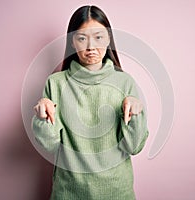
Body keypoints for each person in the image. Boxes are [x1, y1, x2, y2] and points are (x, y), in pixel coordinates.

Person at [32, 5, 149, 200]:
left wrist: (136, 114)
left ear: (109, 39)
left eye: (99, 37)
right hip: (68, 192)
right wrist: (42, 118)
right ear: (73, 42)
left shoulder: (124, 82)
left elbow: (134, 147)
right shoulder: (56, 83)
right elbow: (48, 145)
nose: (91, 47)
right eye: (81, 38)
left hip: (117, 191)